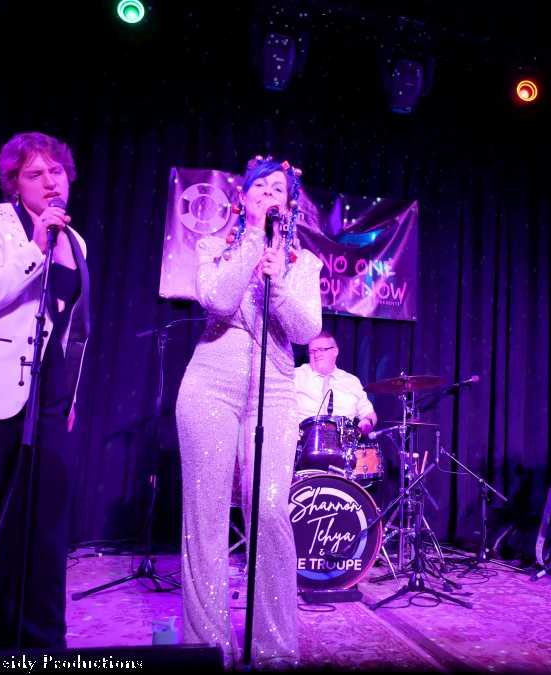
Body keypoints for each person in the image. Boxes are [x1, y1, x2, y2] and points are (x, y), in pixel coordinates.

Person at [0, 131, 91, 651]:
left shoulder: (77, 242)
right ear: (15, 184)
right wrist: (35, 248)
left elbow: (72, 327)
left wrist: (69, 395)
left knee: (43, 526)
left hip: (46, 396)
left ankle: (40, 642)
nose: (50, 181)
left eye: (56, 171)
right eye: (35, 173)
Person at [175, 155, 322, 669]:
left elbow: (306, 330)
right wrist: (255, 239)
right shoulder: (214, 247)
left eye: (278, 189)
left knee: (270, 507)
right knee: (206, 515)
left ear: (291, 204)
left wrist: (278, 283)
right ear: (244, 199)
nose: (268, 194)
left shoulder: (304, 264)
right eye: (260, 187)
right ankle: (208, 647)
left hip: (275, 388)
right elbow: (217, 300)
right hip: (209, 383)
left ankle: (274, 648)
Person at [294, 330, 377, 435]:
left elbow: (369, 414)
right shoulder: (296, 376)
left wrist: (367, 422)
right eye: (312, 351)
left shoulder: (352, 382)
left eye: (322, 349)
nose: (316, 354)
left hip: (342, 442)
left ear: (335, 351)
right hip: (303, 441)